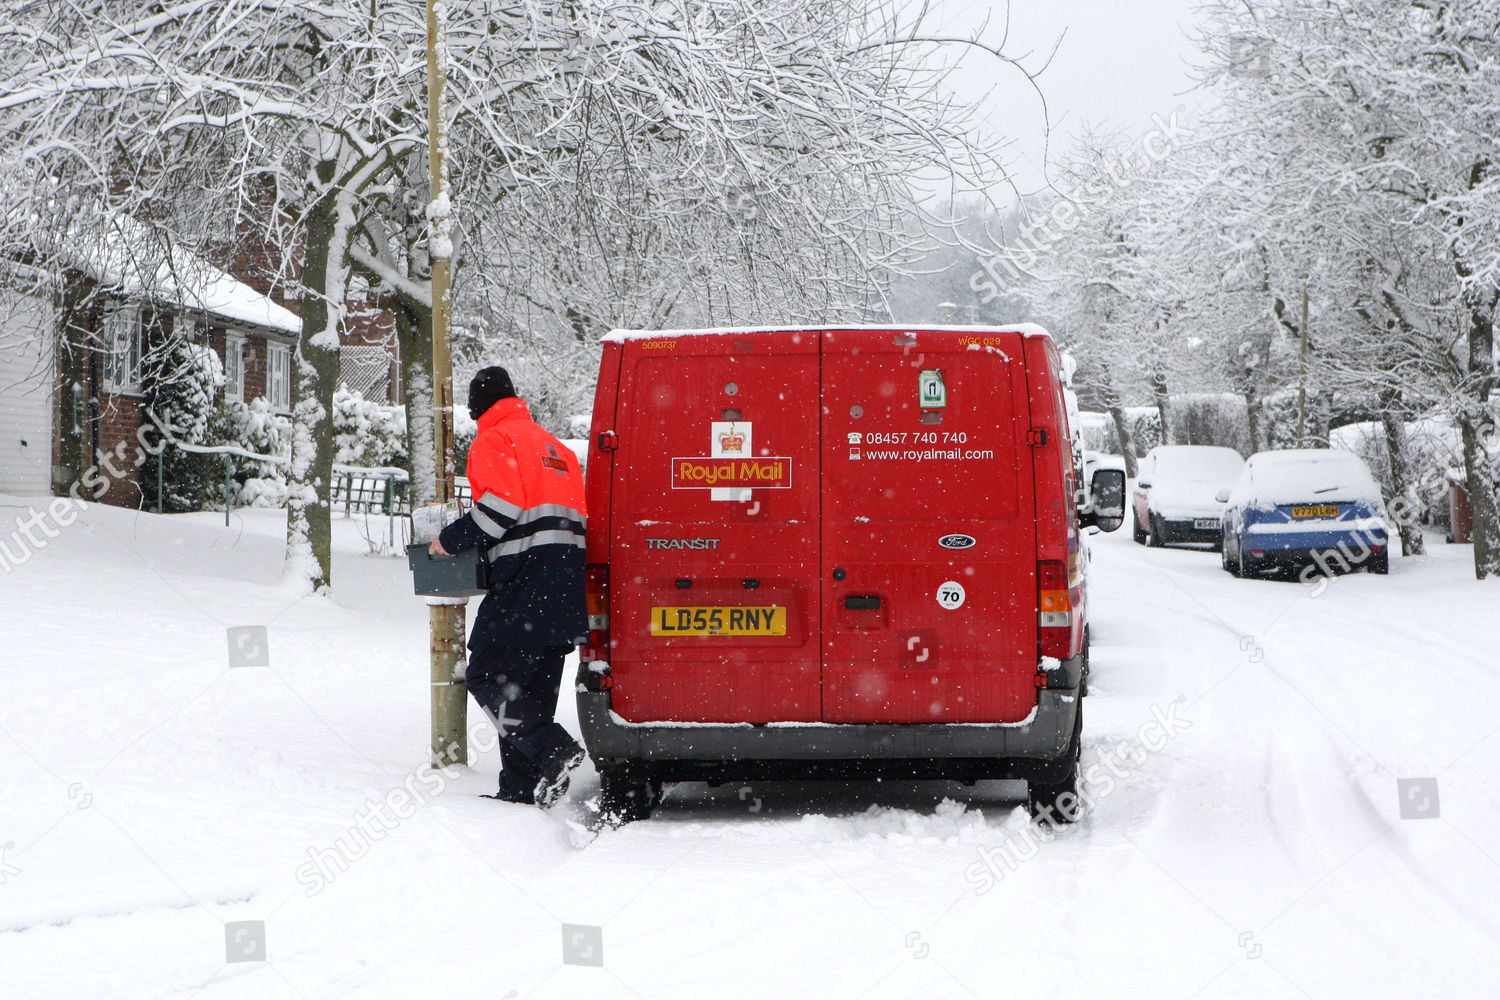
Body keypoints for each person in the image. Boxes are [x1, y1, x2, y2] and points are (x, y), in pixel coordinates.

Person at [428, 366, 587, 807]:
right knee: (529, 687)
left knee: (485, 675)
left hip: (526, 581)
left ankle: (552, 748)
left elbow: (500, 509)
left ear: (480, 407)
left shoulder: (494, 440)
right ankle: (522, 786)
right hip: (567, 583)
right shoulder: (557, 448)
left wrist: (449, 540)